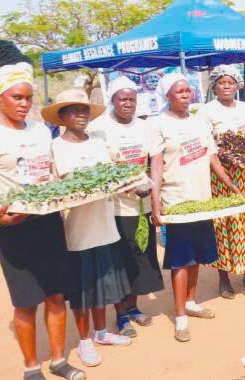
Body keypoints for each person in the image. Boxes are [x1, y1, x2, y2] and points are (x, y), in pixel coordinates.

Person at [0, 40, 86, 380]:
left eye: (29, 97)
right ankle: (31, 368)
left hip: (47, 221)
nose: (25, 104)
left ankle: (59, 360)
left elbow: (51, 170)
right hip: (11, 228)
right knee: (26, 302)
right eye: (17, 97)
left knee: (56, 294)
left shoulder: (38, 131)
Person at [148, 73, 239, 342]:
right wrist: (155, 203)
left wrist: (231, 185)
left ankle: (190, 302)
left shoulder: (199, 121)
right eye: (180, 91)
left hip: (202, 199)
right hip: (176, 200)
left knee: (198, 256)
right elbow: (156, 165)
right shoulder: (159, 124)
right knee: (180, 260)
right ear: (167, 96)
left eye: (188, 90)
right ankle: (180, 317)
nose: (186, 94)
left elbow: (212, 158)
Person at [45, 89, 133, 367]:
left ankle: (101, 333)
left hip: (105, 226)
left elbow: (116, 173)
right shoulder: (56, 148)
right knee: (83, 290)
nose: (81, 115)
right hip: (77, 231)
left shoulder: (98, 142)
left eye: (84, 109)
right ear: (61, 117)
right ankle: (84, 341)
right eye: (73, 110)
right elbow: (53, 187)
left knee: (103, 284)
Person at [88, 76, 164, 338]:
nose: (128, 103)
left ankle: (133, 308)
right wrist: (128, 187)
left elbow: (155, 160)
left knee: (140, 259)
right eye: (122, 99)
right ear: (112, 100)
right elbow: (100, 169)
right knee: (119, 261)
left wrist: (153, 195)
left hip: (141, 206)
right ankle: (120, 316)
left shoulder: (145, 126)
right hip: (115, 208)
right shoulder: (99, 128)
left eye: (132, 98)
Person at [197, 65, 245, 298]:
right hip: (222, 178)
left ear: (237, 85)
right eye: (221, 83)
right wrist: (227, 172)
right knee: (224, 227)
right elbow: (208, 150)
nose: (226, 86)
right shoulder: (206, 111)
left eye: (230, 82)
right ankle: (224, 278)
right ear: (214, 86)